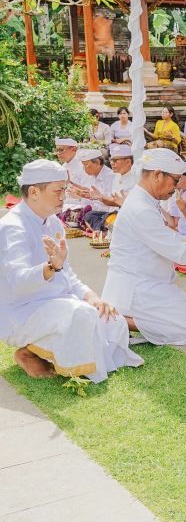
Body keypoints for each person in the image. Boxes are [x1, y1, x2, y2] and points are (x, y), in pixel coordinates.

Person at [0, 159, 143, 382]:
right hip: (22, 312)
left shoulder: (53, 222)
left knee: (109, 317)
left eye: (64, 190)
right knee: (82, 315)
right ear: (34, 192)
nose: (63, 197)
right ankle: (29, 351)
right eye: (58, 191)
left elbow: (68, 276)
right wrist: (51, 267)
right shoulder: (12, 228)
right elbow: (18, 281)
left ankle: (42, 351)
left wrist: (93, 298)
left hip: (58, 302)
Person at [102, 149, 186, 345]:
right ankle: (117, 319)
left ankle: (122, 316)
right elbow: (182, 254)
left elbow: (171, 238)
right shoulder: (141, 208)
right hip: (138, 289)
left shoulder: (145, 200)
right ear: (157, 175)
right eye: (175, 180)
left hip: (152, 283)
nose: (176, 187)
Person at [76, 148, 116, 232]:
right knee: (86, 215)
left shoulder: (110, 176)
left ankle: (101, 230)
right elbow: (93, 200)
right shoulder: (93, 176)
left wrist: (98, 197)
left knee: (89, 216)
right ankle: (100, 230)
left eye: (86, 164)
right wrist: (85, 195)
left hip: (109, 214)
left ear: (97, 163)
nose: (84, 168)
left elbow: (113, 202)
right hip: (98, 214)